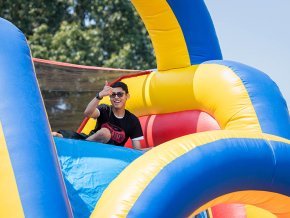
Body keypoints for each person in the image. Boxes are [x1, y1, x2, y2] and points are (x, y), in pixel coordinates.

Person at [53, 81, 144, 149]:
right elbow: (87, 113)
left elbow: (137, 149)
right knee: (55, 135)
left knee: (105, 132)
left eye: (120, 94)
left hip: (111, 151)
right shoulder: (104, 109)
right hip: (89, 140)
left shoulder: (132, 120)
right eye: (113, 95)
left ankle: (80, 148)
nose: (116, 97)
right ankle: (81, 147)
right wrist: (99, 95)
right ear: (110, 97)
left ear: (127, 96)